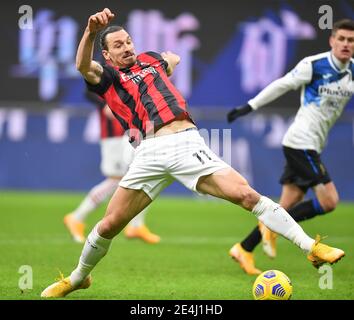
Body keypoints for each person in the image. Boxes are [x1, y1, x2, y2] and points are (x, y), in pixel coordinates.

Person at [41, 8, 345, 298]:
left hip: (187, 144)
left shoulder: (150, 60)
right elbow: (82, 65)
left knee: (247, 196)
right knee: (108, 225)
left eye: (129, 41)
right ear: (107, 54)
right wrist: (90, 33)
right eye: (118, 45)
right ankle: (79, 278)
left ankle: (311, 247)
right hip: (148, 152)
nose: (126, 48)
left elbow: (171, 58)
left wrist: (168, 62)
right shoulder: (108, 78)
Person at [226, 19, 354, 275]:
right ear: (331, 40)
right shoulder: (314, 65)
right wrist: (249, 106)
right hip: (299, 143)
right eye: (341, 38)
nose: (346, 44)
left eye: (351, 40)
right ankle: (297, 240)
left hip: (314, 145)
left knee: (282, 208)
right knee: (329, 201)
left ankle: (244, 248)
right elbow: (281, 84)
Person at [64, 90, 160, 244]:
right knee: (117, 180)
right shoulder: (109, 76)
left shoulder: (125, 76)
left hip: (127, 134)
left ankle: (136, 225)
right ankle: (76, 217)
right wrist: (108, 102)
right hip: (114, 137)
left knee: (140, 176)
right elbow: (91, 92)